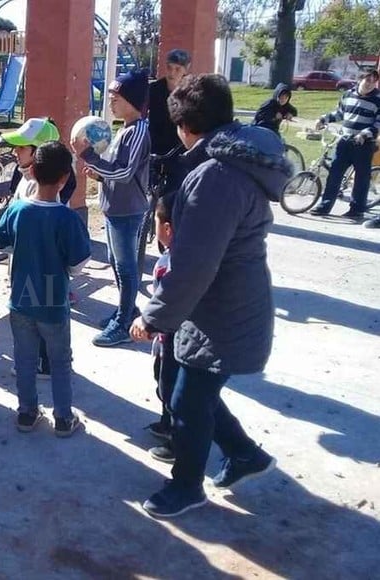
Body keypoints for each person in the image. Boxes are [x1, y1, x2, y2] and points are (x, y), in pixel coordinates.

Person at [130, 74, 285, 518]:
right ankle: (245, 455)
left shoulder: (216, 176)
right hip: (217, 304)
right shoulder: (228, 164)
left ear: (185, 126)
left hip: (222, 310)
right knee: (184, 389)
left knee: (186, 400)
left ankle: (186, 487)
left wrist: (154, 316)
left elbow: (194, 263)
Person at [0, 141, 91, 437]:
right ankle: (63, 418)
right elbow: (77, 264)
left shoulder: (17, 209)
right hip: (53, 300)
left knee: (24, 358)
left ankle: (26, 412)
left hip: (21, 297)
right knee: (60, 362)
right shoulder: (67, 218)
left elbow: (1, 244)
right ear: (65, 178)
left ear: (31, 171)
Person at [72, 69, 151, 348]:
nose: (110, 103)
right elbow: (116, 172)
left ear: (131, 100)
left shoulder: (139, 130)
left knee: (126, 268)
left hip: (128, 211)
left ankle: (124, 324)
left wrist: (89, 156)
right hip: (114, 207)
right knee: (117, 264)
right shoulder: (124, 130)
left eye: (115, 97)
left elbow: (126, 172)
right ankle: (126, 311)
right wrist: (99, 174)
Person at [0, 117, 77, 379]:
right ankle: (49, 358)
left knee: (36, 314)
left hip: (34, 264)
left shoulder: (36, 185)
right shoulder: (29, 179)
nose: (15, 152)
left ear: (38, 153)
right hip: (33, 263)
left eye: (21, 148)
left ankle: (43, 363)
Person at [310, 69, 380, 222]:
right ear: (360, 79)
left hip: (364, 144)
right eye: (367, 80)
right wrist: (323, 119)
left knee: (361, 178)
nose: (370, 84)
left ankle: (357, 210)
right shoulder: (347, 95)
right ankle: (325, 206)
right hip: (344, 141)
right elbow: (340, 113)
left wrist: (364, 134)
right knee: (334, 174)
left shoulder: (378, 99)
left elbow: (377, 123)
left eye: (373, 81)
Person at [144, 194, 178, 463]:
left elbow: (165, 303)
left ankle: (177, 441)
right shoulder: (186, 256)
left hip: (173, 341)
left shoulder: (171, 265)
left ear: (167, 229)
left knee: (171, 387)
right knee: (163, 381)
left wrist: (147, 323)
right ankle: (167, 421)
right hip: (168, 339)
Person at [148, 49, 190, 194]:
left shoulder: (190, 91)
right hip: (155, 149)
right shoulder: (154, 89)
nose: (172, 73)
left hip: (179, 149)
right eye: (169, 68)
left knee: (175, 191)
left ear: (186, 69)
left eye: (177, 69)